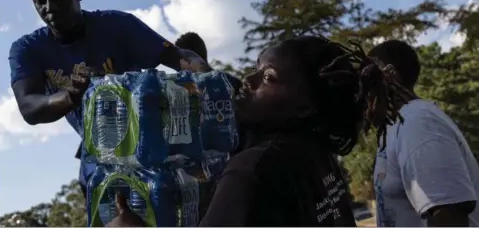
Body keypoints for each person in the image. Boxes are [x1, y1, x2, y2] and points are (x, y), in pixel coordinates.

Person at [108, 35, 410, 227]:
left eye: (268, 77)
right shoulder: (318, 155)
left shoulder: (254, 169)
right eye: (255, 68)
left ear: (305, 106)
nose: (248, 79)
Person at [9, 0, 210, 201]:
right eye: (39, 0)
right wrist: (69, 96)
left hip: (155, 150)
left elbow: (178, 56)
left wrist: (207, 75)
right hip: (99, 163)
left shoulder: (118, 25)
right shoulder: (27, 49)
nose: (49, 7)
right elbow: (29, 106)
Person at [369, 40, 479, 227]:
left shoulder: (418, 123)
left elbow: (449, 217)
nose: (360, 88)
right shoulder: (396, 125)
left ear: (390, 75)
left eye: (368, 76)